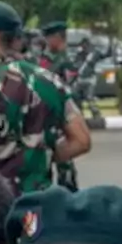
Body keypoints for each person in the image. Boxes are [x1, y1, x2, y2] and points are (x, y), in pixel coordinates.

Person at [0, 1, 82, 195]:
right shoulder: (50, 81)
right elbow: (81, 140)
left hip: (0, 205)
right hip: (40, 203)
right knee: (34, 227)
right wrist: (40, 158)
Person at [39, 21, 83, 192]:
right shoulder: (44, 58)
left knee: (65, 163)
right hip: (45, 118)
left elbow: (69, 91)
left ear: (58, 38)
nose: (47, 41)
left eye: (50, 37)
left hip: (60, 118)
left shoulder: (67, 61)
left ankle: (70, 200)